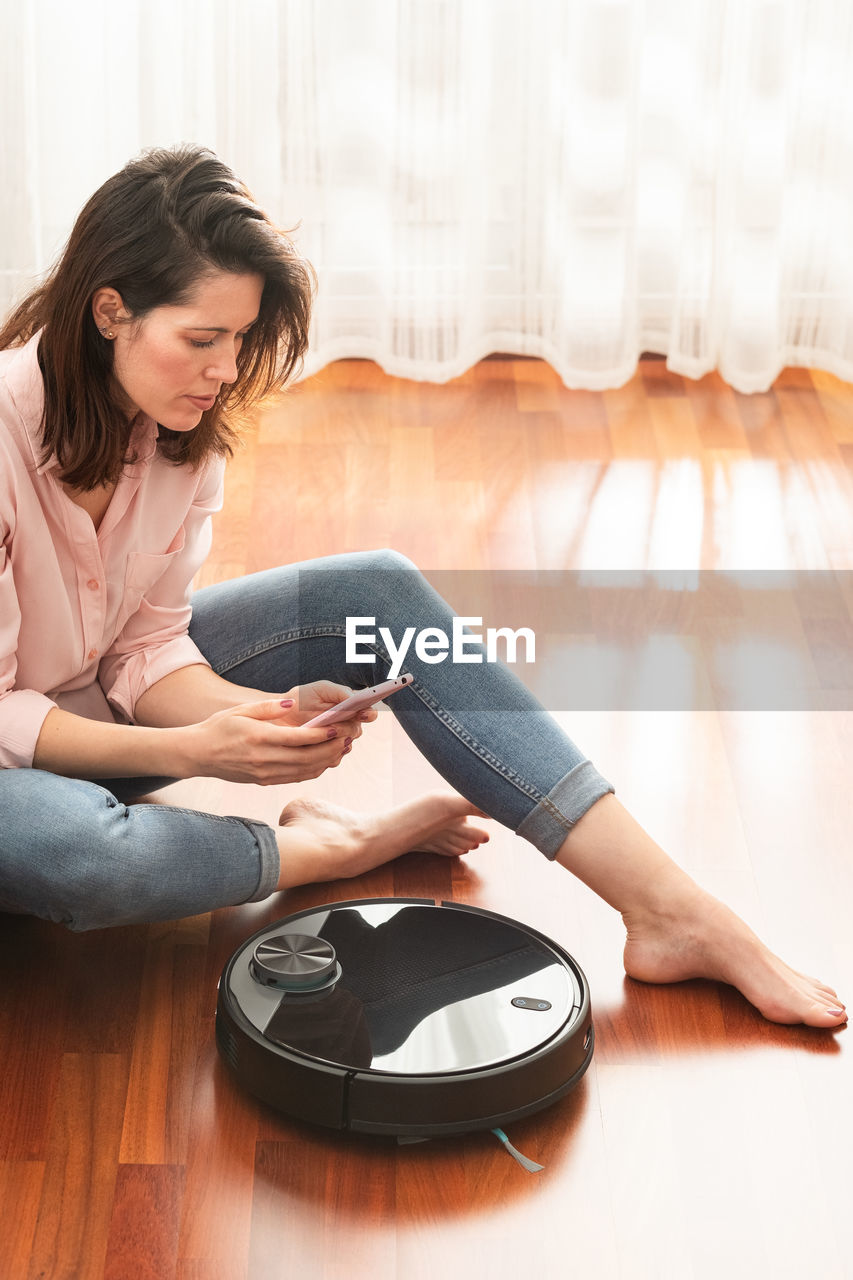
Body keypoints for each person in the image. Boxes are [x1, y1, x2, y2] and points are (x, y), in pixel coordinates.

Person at [0, 143, 845, 1031]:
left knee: (376, 591)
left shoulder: (177, 430)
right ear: (109, 311)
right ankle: (323, 848)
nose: (224, 371)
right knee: (77, 853)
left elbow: (143, 647)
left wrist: (250, 720)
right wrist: (195, 752)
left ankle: (668, 907)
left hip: (89, 709)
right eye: (201, 340)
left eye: (241, 339)